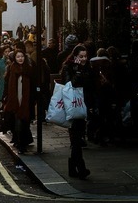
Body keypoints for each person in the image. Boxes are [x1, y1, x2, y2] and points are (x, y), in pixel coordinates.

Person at [60, 44, 92, 179]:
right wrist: (78, 71)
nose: (84, 59)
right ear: (75, 56)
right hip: (72, 106)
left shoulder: (88, 67)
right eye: (81, 56)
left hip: (83, 106)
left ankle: (73, 168)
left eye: (85, 56)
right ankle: (81, 168)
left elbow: (90, 87)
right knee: (76, 139)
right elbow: (69, 85)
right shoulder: (68, 67)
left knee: (77, 140)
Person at [3, 49, 35, 154]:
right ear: (15, 59)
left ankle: (23, 143)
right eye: (18, 57)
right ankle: (20, 144)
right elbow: (7, 85)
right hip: (15, 101)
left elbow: (34, 85)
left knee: (25, 124)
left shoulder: (29, 70)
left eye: (22, 56)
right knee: (18, 124)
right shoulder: (12, 69)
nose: (20, 58)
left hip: (26, 101)